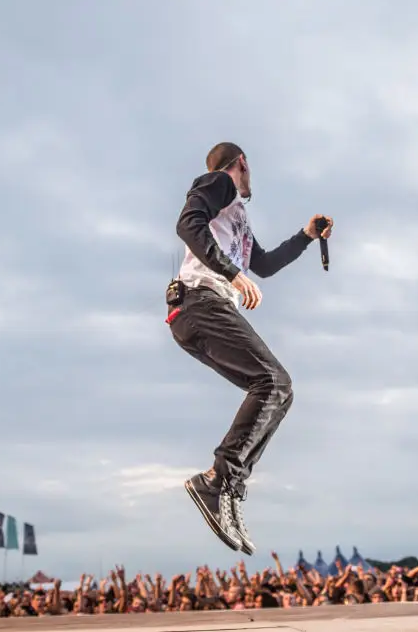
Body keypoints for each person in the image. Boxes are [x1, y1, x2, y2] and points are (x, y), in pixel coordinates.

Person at [168, 142, 333, 554]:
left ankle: (229, 487)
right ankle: (216, 481)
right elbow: (188, 224)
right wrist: (231, 274)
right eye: (246, 168)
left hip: (197, 312)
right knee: (274, 382)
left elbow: (263, 265)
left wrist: (306, 236)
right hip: (199, 300)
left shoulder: (236, 215)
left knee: (277, 390)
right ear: (242, 163)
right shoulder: (220, 184)